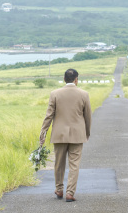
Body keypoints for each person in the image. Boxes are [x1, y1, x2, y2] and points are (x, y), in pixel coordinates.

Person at [38, 68, 92, 202]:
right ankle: (70, 192)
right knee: (74, 165)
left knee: (59, 163)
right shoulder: (84, 94)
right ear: (76, 80)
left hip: (59, 134)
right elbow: (88, 116)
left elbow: (49, 115)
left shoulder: (55, 94)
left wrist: (43, 132)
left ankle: (59, 189)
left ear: (64, 79)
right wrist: (87, 132)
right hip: (78, 134)